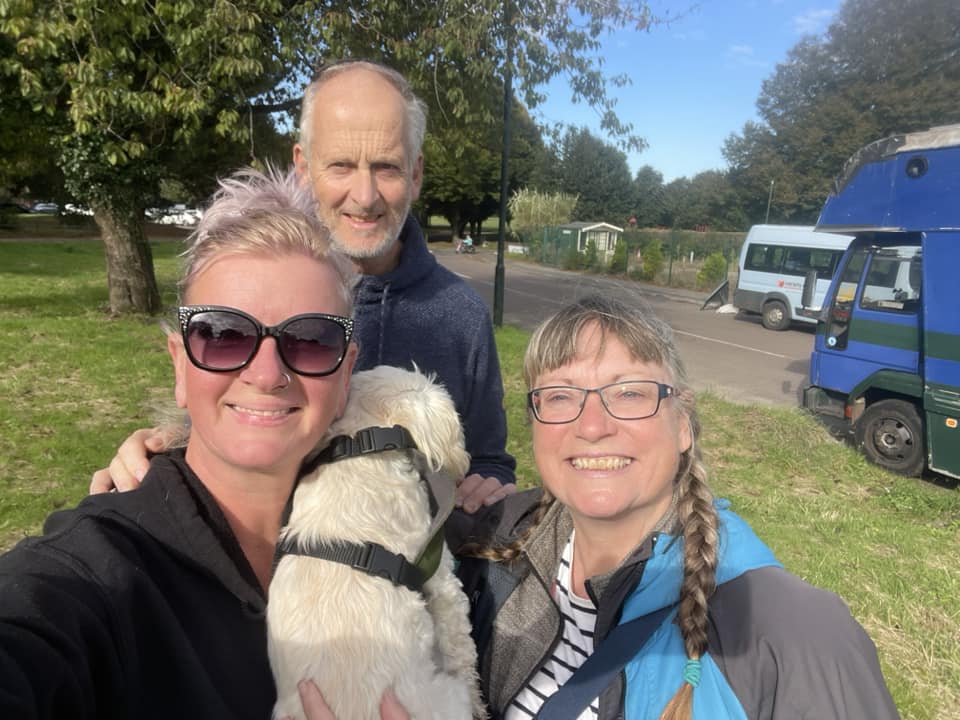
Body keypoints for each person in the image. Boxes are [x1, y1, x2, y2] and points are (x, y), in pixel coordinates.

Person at [0, 167, 404, 718]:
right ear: (179, 365)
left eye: (310, 340)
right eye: (222, 335)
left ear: (345, 372)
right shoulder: (103, 570)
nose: (266, 374)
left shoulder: (388, 524)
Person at [91, 60, 516, 510]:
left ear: (415, 174)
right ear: (302, 165)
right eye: (341, 165)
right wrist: (158, 452)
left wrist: (488, 483)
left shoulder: (462, 314)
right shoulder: (248, 283)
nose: (365, 195)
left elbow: (488, 459)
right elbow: (222, 410)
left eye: (387, 167)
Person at [451, 294, 899, 720]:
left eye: (629, 393)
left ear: (683, 424)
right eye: (560, 396)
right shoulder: (490, 549)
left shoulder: (791, 635)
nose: (591, 426)